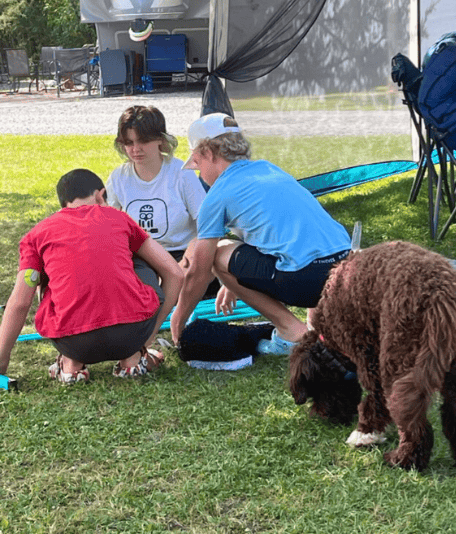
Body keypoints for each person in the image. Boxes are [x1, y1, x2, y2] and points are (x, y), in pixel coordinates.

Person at [169, 113, 352, 355]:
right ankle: (316, 327)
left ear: (208, 154)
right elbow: (272, 231)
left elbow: (199, 272)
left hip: (305, 281)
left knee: (217, 251)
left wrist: (178, 318)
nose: (200, 174)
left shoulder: (217, 194)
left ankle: (291, 333)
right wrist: (233, 283)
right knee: (304, 252)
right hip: (344, 272)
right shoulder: (268, 170)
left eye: (197, 164)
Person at [0, 169, 184, 384]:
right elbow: (174, 273)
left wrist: (1, 362)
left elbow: (20, 303)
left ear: (63, 204)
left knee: (51, 278)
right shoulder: (119, 217)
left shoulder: (37, 234)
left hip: (73, 341)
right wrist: (148, 335)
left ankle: (71, 364)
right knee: (140, 261)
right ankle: (133, 356)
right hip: (132, 334)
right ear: (100, 195)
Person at [106, 105, 207, 266]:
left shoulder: (181, 173)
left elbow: (206, 223)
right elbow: (109, 226)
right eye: (129, 143)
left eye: (143, 141)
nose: (136, 149)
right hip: (141, 256)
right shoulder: (118, 177)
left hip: (180, 252)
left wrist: (191, 252)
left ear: (160, 139)